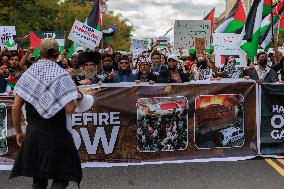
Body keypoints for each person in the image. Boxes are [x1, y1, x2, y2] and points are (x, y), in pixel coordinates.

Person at [9, 38, 82, 189]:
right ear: (57, 55)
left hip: (34, 133)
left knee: (39, 178)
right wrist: (75, 99)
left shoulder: (28, 74)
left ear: (39, 52)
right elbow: (70, 109)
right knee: (63, 175)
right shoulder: (63, 75)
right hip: (58, 133)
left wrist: (18, 133)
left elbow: (15, 108)